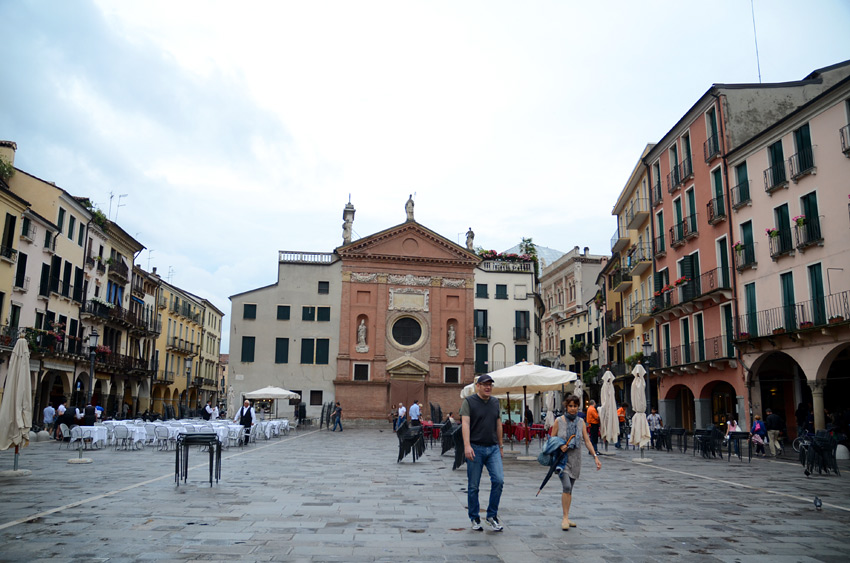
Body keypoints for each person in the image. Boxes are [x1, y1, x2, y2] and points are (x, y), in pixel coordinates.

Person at [460, 373, 504, 532]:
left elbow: (499, 425)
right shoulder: (469, 402)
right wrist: (467, 445)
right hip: (475, 447)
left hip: (493, 448)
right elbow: (465, 424)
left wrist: (501, 446)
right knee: (473, 486)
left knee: (499, 480)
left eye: (490, 384)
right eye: (485, 384)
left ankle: (491, 515)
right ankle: (474, 517)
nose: (488, 387)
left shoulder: (495, 402)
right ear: (477, 386)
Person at [551, 395, 602, 531]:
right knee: (566, 487)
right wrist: (560, 446)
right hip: (562, 460)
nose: (573, 409)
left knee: (570, 489)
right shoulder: (558, 421)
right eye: (570, 406)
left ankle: (567, 516)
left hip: (576, 459)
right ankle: (564, 518)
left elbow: (587, 440)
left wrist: (595, 457)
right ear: (566, 407)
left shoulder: (581, 422)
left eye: (575, 406)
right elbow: (551, 440)